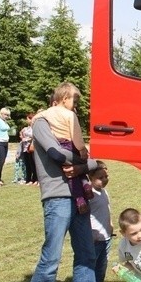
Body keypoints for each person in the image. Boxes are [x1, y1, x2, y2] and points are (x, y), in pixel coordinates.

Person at [21, 94, 113, 282]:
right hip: (58, 197)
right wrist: (86, 162)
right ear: (58, 101)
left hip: (79, 197)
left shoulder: (72, 133)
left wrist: (84, 164)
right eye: (71, 103)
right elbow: (56, 154)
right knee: (52, 255)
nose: (73, 110)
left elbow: (90, 163)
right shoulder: (42, 122)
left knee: (86, 253)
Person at [35, 82, 93, 213]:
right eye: (75, 101)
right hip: (70, 145)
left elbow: (37, 117)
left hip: (60, 144)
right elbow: (76, 134)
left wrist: (33, 120)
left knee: (70, 174)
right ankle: (84, 189)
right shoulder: (70, 115)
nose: (76, 106)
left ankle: (80, 198)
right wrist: (82, 148)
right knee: (76, 170)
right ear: (65, 98)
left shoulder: (47, 113)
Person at [89, 161, 113, 282]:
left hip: (106, 236)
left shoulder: (104, 192)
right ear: (90, 177)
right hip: (95, 238)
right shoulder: (89, 194)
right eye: (100, 177)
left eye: (106, 176)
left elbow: (107, 210)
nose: (105, 180)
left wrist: (110, 225)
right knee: (92, 265)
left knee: (101, 266)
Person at [19, 112, 38, 186]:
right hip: (25, 148)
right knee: (27, 164)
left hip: (31, 147)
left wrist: (28, 139)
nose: (27, 120)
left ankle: (35, 179)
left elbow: (34, 136)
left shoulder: (35, 127)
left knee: (33, 164)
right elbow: (22, 134)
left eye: (28, 119)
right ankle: (28, 179)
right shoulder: (26, 128)